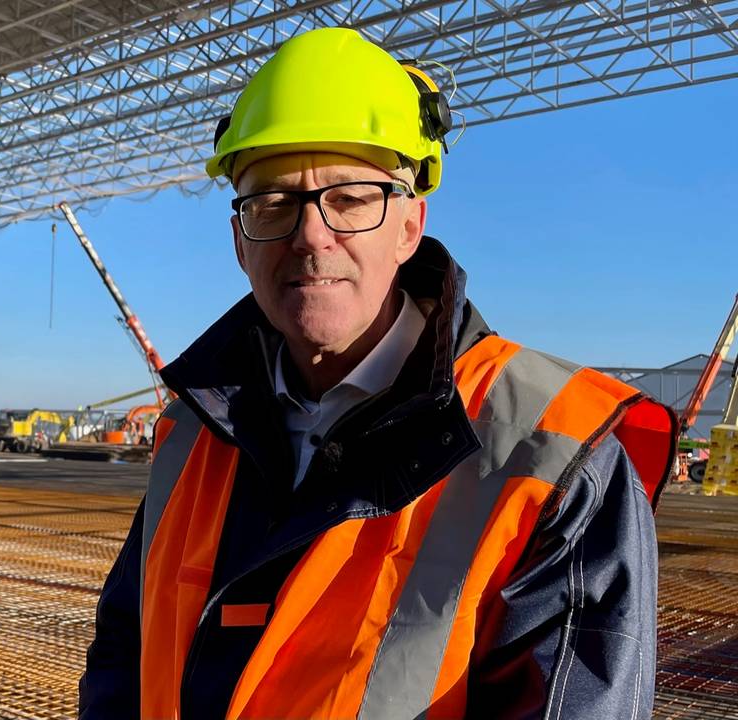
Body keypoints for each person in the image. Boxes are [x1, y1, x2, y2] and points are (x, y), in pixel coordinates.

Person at [78, 26, 676, 719]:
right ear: (240, 241)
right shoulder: (190, 432)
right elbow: (126, 653)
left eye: (351, 198)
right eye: (272, 202)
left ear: (410, 225)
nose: (309, 234)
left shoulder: (553, 451)